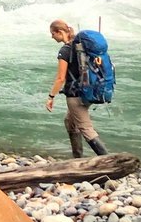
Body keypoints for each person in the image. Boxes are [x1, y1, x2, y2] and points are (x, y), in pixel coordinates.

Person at [45, 19, 108, 157]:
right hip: (90, 91)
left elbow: (60, 78)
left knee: (86, 129)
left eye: (53, 34)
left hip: (75, 97)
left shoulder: (65, 50)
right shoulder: (82, 48)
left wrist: (51, 97)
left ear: (60, 32)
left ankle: (110, 161)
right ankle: (77, 159)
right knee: (70, 121)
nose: (52, 37)